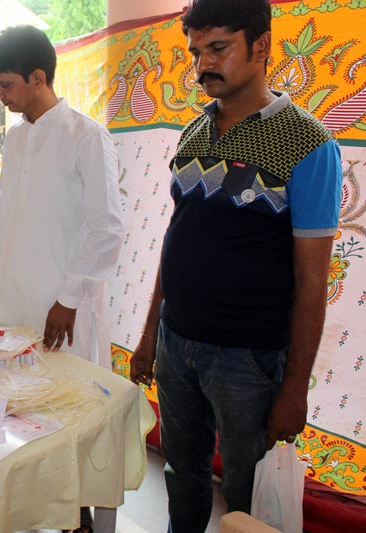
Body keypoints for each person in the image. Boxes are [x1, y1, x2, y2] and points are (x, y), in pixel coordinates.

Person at [129, 1, 343, 531]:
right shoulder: (194, 132)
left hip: (247, 357)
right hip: (177, 342)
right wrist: (151, 333)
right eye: (196, 51)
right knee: (183, 472)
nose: (203, 64)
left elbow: (312, 281)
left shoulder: (308, 144)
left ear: (261, 46)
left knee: (247, 495)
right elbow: (176, 239)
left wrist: (295, 389)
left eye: (218, 48)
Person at [0, 25, 124, 367]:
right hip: (12, 299)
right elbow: (5, 217)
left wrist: (68, 299)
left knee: (68, 391)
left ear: (38, 78)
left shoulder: (87, 136)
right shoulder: (15, 137)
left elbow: (107, 230)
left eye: (5, 84)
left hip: (62, 306)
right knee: (14, 387)